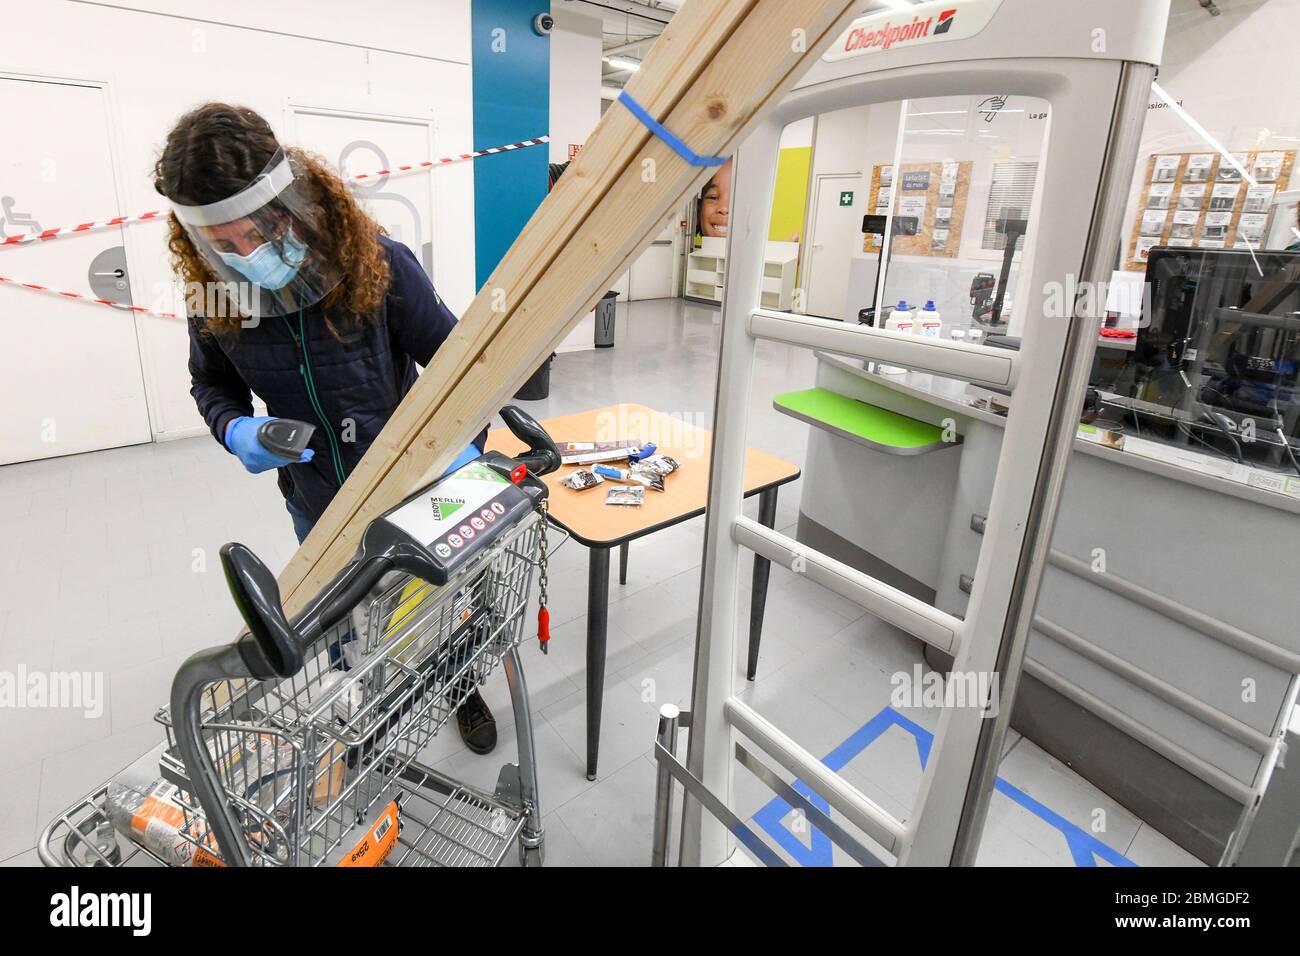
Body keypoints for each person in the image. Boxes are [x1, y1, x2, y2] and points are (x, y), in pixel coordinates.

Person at [154, 103, 498, 755]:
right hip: (318, 503)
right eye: (222, 244)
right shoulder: (217, 296)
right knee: (343, 622)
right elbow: (212, 383)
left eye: (255, 230)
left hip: (413, 493)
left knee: (440, 607)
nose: (246, 254)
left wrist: (465, 449)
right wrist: (237, 432)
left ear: (291, 201)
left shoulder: (379, 266)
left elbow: (462, 368)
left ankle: (462, 687)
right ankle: (363, 706)